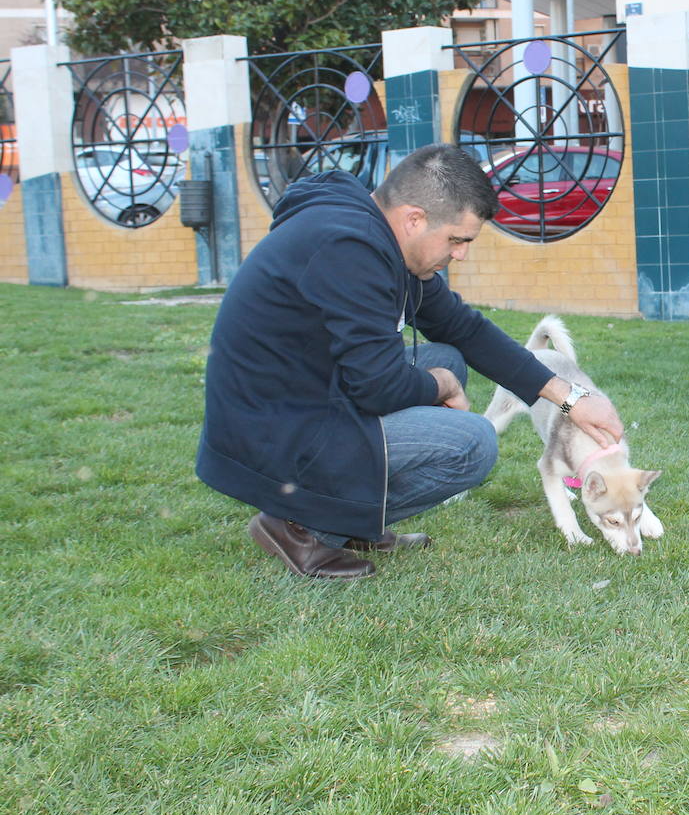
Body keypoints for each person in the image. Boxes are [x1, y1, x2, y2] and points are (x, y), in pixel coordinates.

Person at [196, 143, 623, 579]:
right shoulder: (349, 249)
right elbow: (376, 386)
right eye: (457, 240)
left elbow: (464, 328)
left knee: (448, 356)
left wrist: (571, 398)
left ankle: (350, 520)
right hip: (272, 429)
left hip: (303, 400)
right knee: (472, 443)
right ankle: (302, 525)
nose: (461, 254)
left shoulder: (382, 240)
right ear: (414, 219)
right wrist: (440, 384)